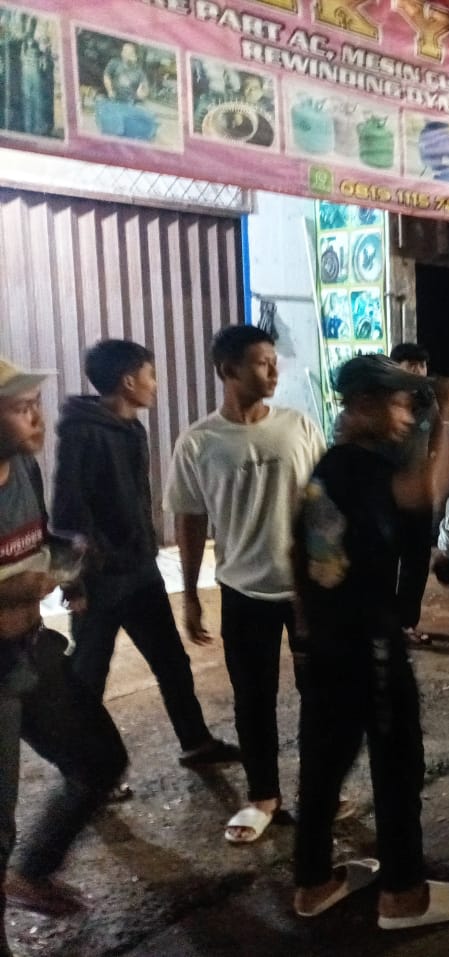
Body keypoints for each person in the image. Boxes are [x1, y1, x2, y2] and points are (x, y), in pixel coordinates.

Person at [292, 355, 449, 929]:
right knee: (397, 763)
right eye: (399, 405)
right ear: (364, 405)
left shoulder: (330, 465)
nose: (406, 417)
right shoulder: (361, 467)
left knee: (323, 764)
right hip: (367, 642)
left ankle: (313, 882)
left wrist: (305, 629)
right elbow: (423, 491)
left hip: (327, 640)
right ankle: (403, 895)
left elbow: (297, 555)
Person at [51, 340, 240, 801]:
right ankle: (84, 772)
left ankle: (196, 743)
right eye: (150, 375)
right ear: (128, 381)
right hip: (100, 579)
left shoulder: (131, 427)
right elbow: (68, 510)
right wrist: (74, 580)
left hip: (139, 570)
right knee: (88, 677)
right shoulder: (82, 433)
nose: (155, 385)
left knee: (172, 662)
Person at [164, 326, 327, 844]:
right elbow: (190, 519)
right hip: (243, 592)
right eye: (262, 362)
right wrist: (191, 594)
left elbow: (325, 506)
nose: (274, 371)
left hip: (306, 591)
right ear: (227, 370)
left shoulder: (299, 427)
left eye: (275, 360)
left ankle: (321, 791)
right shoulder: (199, 442)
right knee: (253, 699)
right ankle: (263, 796)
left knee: (320, 696)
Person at [0, 357, 128, 936]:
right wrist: (11, 590)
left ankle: (32, 872)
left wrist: (68, 567)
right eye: (20, 408)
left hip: (33, 651)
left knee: (100, 760)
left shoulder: (24, 468)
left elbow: (39, 539)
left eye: (35, 404)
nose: (37, 418)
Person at [388, 342, 433, 647]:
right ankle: (385, 624)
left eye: (422, 364)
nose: (418, 369)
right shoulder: (385, 399)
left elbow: (438, 439)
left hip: (420, 494)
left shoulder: (429, 402)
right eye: (411, 364)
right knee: (386, 561)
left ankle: (406, 623)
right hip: (388, 495)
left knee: (416, 562)